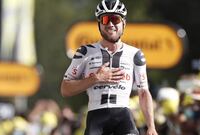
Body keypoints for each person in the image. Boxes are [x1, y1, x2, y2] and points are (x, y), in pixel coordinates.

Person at [60, 0, 158, 134]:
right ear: (99, 24)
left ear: (124, 23)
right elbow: (65, 89)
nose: (111, 24)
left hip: (123, 116)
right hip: (96, 117)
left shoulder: (135, 54)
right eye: (105, 19)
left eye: (115, 19)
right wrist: (95, 78)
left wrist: (151, 126)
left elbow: (143, 92)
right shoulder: (85, 52)